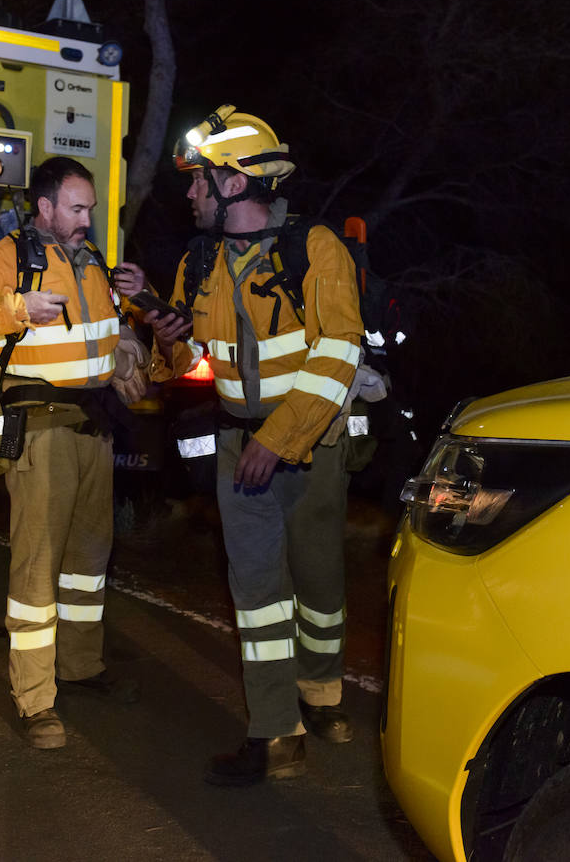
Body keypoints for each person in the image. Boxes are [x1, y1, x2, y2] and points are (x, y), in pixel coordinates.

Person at [143, 105, 364, 786]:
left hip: (311, 444)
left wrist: (281, 436)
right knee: (259, 593)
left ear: (235, 184)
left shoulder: (315, 248)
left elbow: (338, 352)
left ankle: (322, 693)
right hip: (241, 449)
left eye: (200, 182)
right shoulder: (199, 258)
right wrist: (164, 331)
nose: (190, 195)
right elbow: (182, 365)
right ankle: (276, 734)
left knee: (319, 582)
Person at [0, 156, 148, 750]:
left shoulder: (92, 263)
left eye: (91, 209)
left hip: (94, 432)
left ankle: (80, 667)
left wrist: (130, 335)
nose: (86, 219)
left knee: (86, 562)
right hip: (40, 433)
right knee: (37, 571)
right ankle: (35, 702)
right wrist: (16, 309)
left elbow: (106, 335)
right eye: (76, 209)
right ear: (45, 207)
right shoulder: (8, 259)